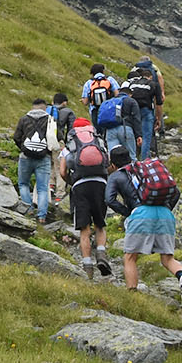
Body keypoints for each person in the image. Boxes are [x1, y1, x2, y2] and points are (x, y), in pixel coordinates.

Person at [106, 146, 182, 307]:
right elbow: (177, 193)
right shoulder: (143, 171)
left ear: (112, 164)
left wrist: (129, 213)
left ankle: (132, 295)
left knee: (130, 257)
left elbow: (109, 199)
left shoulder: (117, 175)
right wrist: (166, 210)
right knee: (167, 258)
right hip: (165, 214)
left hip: (141, 214)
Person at [62, 117, 112, 278]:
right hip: (100, 183)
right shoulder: (98, 140)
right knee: (100, 224)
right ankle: (102, 255)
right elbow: (109, 164)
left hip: (80, 185)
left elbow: (63, 171)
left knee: (84, 229)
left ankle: (87, 266)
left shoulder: (70, 143)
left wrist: (72, 181)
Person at [11, 97, 57, 223]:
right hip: (44, 158)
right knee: (42, 188)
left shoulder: (24, 119)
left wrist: (23, 148)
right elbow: (57, 137)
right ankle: (42, 216)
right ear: (45, 107)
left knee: (23, 184)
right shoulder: (50, 120)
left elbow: (16, 137)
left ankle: (28, 209)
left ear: (33, 107)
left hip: (25, 157)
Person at [122, 58, 165, 160]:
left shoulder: (133, 83)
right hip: (146, 110)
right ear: (150, 77)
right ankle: (144, 161)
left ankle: (134, 156)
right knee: (146, 136)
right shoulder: (153, 84)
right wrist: (158, 119)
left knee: (135, 133)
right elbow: (159, 104)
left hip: (132, 110)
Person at [95, 90, 140, 161]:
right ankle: (133, 171)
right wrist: (139, 135)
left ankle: (115, 171)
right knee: (131, 155)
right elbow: (136, 119)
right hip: (125, 128)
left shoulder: (109, 102)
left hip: (110, 130)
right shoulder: (130, 101)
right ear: (130, 94)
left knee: (113, 157)